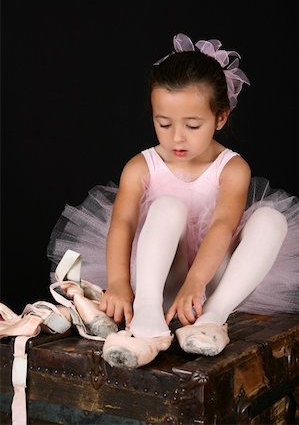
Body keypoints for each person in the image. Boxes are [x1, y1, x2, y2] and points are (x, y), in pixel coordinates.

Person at [47, 33, 299, 369]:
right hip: (158, 278)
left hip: (211, 282)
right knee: (167, 206)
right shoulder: (142, 166)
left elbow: (224, 224)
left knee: (272, 220)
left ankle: (212, 320)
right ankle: (148, 318)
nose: (176, 138)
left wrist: (197, 282)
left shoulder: (232, 168)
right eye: (163, 124)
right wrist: (120, 283)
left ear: (220, 118)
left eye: (192, 125)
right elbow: (122, 223)